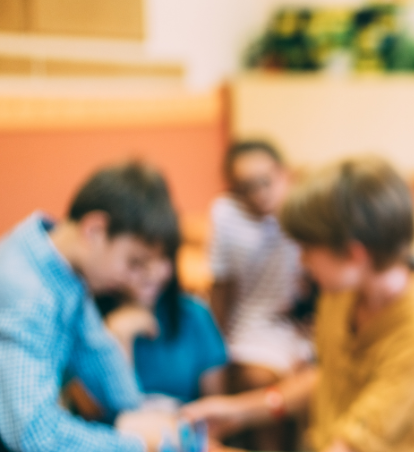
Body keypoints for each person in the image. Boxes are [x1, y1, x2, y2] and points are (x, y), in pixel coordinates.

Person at [183, 157, 414, 452]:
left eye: (307, 248)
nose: (302, 261)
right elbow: (330, 376)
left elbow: (350, 444)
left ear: (354, 254)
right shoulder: (342, 291)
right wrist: (241, 411)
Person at [0, 162, 182, 452]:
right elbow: (32, 435)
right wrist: (137, 444)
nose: (134, 280)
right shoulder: (26, 293)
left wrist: (140, 414)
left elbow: (96, 349)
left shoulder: (59, 260)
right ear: (95, 230)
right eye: (133, 262)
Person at [208, 141, 312, 392]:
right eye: (247, 187)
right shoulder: (227, 215)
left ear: (284, 174)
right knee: (260, 380)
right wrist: (215, 348)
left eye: (266, 181)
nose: (260, 193)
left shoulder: (305, 210)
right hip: (253, 324)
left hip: (301, 323)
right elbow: (222, 287)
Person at [97, 231, 228, 405]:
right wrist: (120, 335)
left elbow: (216, 408)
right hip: (119, 429)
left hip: (184, 427)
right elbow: (107, 408)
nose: (151, 272)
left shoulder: (194, 315)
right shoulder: (93, 320)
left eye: (162, 258)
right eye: (137, 262)